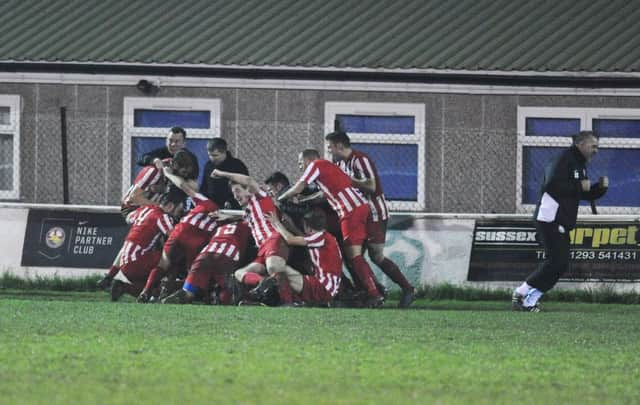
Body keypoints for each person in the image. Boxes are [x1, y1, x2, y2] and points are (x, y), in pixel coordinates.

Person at [512, 131, 609, 312]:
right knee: (556, 261)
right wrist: (578, 187)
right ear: (581, 144)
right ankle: (522, 294)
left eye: (597, 147)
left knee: (560, 263)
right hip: (550, 218)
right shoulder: (564, 159)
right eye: (593, 146)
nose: (596, 150)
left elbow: (581, 193)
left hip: (561, 219)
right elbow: (550, 185)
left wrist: (599, 189)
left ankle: (528, 298)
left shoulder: (579, 164)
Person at [278, 149, 384, 307]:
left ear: (309, 160)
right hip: (357, 208)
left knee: (354, 256)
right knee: (353, 257)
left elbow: (299, 186)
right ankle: (368, 291)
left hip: (350, 210)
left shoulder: (316, 164)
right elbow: (323, 194)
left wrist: (280, 198)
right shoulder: (329, 168)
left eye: (301, 163)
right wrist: (304, 200)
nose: (300, 168)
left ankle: (374, 294)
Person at [325, 130, 416, 307]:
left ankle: (407, 288)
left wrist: (348, 180)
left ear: (339, 146)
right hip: (358, 214)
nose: (329, 152)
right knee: (354, 256)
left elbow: (372, 186)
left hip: (374, 213)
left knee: (375, 256)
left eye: (330, 148)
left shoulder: (360, 159)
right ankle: (373, 292)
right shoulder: (343, 164)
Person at [137, 154, 219, 303]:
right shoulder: (167, 167)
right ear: (176, 165)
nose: (186, 171)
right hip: (170, 224)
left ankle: (158, 291)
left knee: (170, 263)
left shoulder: (191, 184)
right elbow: (143, 159)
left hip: (178, 225)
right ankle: (153, 291)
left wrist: (168, 174)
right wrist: (155, 161)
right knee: (171, 263)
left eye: (189, 168)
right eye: (183, 168)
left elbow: (185, 187)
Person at [211, 169, 295, 304]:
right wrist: (227, 216)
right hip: (262, 250)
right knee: (239, 274)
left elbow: (249, 180)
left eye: (237, 191)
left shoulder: (260, 197)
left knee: (273, 267)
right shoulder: (250, 209)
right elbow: (245, 215)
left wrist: (222, 174)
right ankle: (264, 284)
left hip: (274, 240)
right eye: (233, 193)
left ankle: (289, 303)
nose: (236, 196)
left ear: (249, 190)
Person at [110, 187, 186, 301]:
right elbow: (176, 238)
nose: (179, 213)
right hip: (137, 261)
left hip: (125, 261)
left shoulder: (145, 209)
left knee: (155, 290)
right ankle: (158, 291)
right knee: (171, 258)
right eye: (179, 209)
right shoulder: (163, 217)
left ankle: (124, 287)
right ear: (170, 206)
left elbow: (129, 218)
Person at [162, 218, 252, 305]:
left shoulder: (219, 228)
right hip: (226, 256)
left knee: (188, 291)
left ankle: (182, 295)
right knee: (229, 289)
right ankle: (229, 299)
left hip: (205, 255)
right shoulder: (245, 226)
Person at [265, 209, 343, 307]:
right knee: (284, 273)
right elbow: (305, 238)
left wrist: (276, 222)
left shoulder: (320, 237)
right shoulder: (326, 237)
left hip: (322, 287)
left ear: (309, 228)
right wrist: (292, 226)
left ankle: (288, 303)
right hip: (327, 287)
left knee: (279, 269)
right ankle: (296, 302)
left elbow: (290, 240)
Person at [201, 138, 249, 209]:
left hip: (232, 206)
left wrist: (232, 202)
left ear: (224, 152)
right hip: (212, 206)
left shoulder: (237, 165)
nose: (212, 158)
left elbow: (245, 187)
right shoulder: (209, 165)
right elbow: (204, 186)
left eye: (215, 155)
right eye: (210, 155)